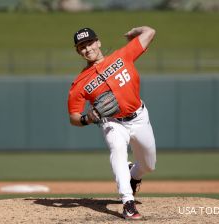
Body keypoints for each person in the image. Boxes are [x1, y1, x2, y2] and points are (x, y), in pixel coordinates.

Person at [67, 26, 157, 220]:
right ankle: (128, 203)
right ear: (78, 51)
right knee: (117, 149)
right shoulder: (80, 83)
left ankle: (134, 175)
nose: (87, 48)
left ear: (98, 42)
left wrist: (135, 32)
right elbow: (73, 116)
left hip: (139, 117)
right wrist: (87, 118)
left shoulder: (122, 56)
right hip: (112, 122)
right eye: (82, 46)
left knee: (149, 165)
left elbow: (150, 32)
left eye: (90, 43)